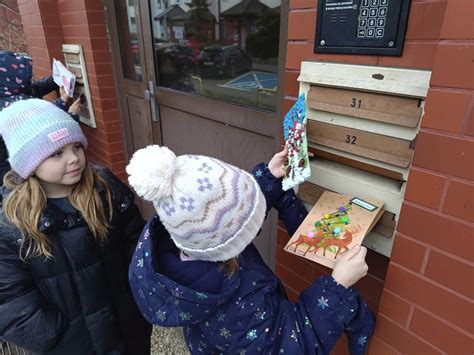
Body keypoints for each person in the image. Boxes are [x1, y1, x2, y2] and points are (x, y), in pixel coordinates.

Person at [126, 145, 375, 354]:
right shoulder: (237, 311)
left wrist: (268, 177)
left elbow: (228, 217)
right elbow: (292, 343)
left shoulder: (191, 238)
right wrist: (337, 287)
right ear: (229, 241)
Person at [0, 99, 151, 354]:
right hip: (73, 344)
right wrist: (54, 336)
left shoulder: (104, 189)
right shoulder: (13, 221)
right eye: (57, 153)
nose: (74, 159)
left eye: (76, 147)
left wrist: (142, 294)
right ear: (29, 163)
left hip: (128, 329)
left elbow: (136, 241)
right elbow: (10, 296)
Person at [0, 50, 80, 184]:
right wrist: (69, 113)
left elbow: (35, 89)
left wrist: (58, 78)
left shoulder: (10, 92)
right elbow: (41, 133)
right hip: (17, 177)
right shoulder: (9, 109)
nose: (28, 81)